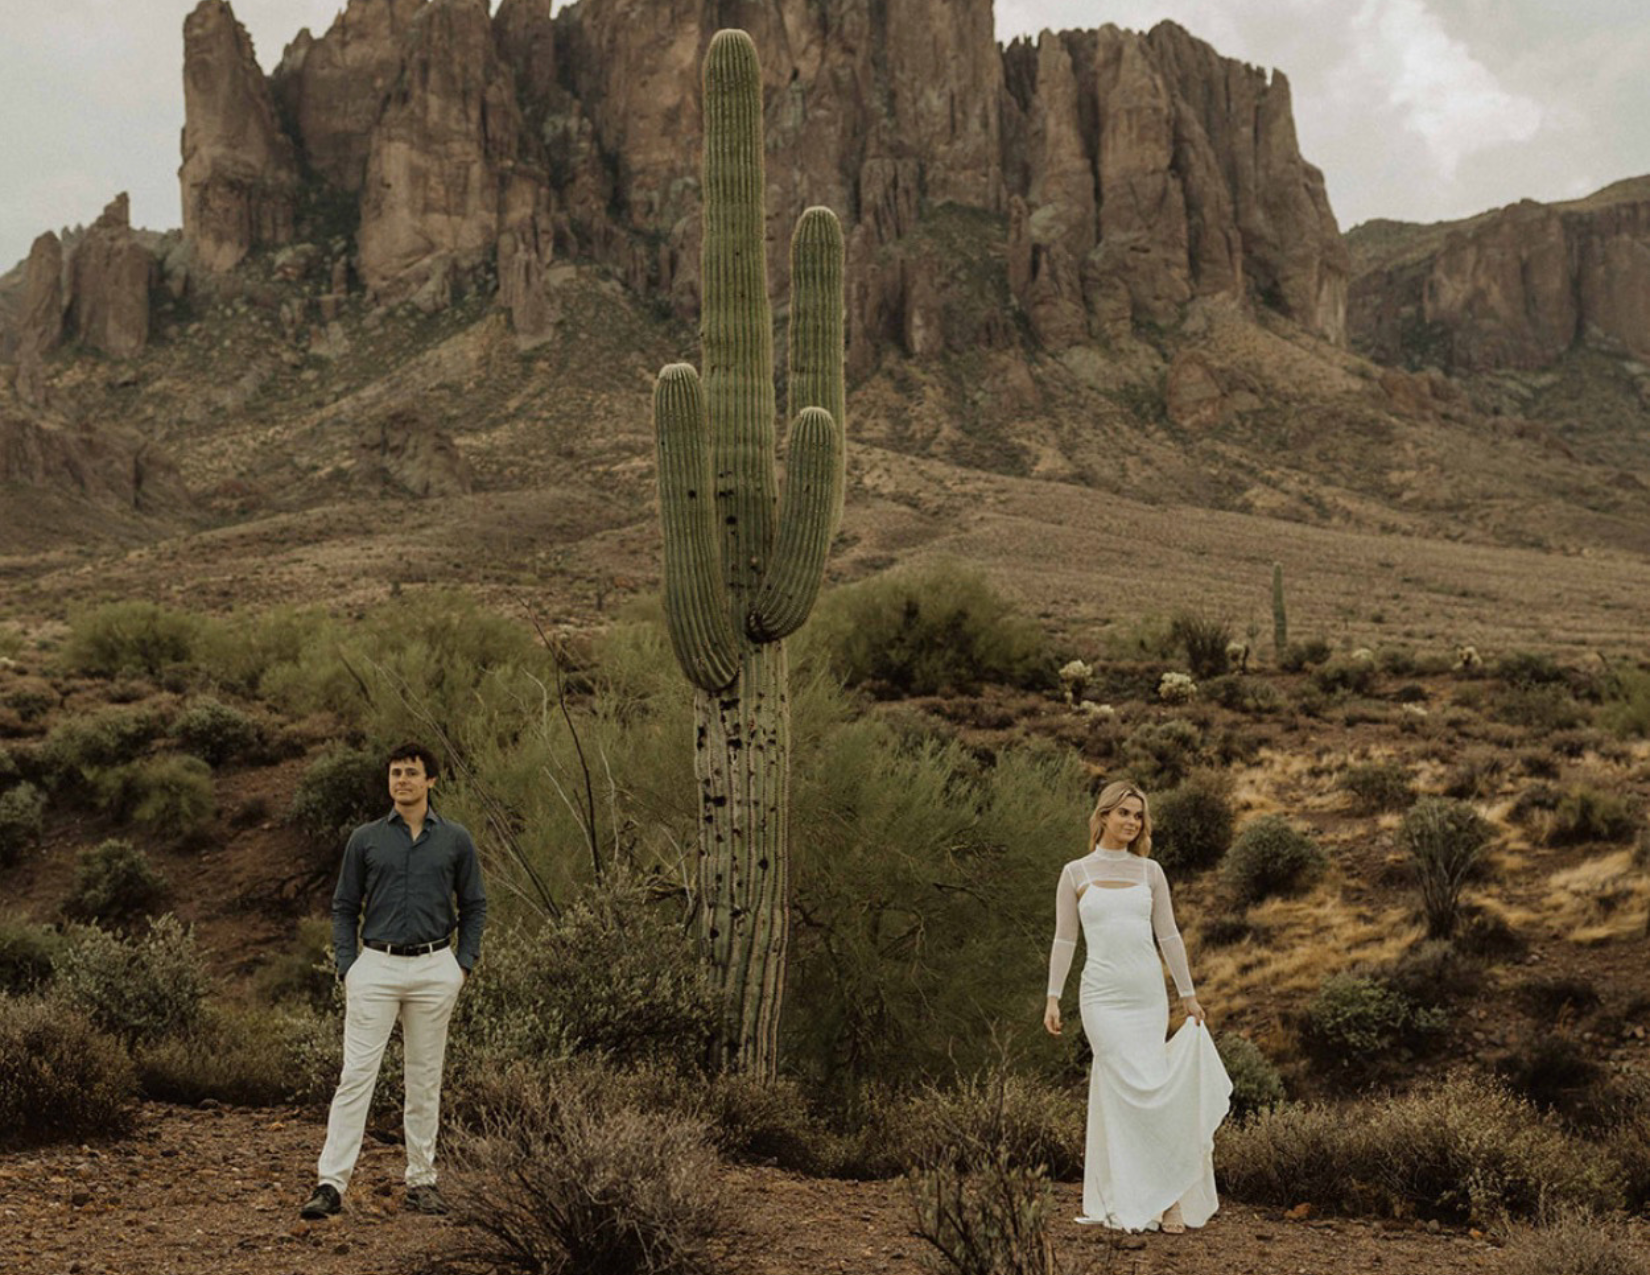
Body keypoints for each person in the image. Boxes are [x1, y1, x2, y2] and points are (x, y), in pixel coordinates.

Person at [300, 741, 487, 1221]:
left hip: (433, 967)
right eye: (395, 772)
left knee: (424, 1079)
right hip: (376, 966)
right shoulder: (365, 839)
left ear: (431, 781)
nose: (401, 780)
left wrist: (461, 965)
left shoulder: (455, 840)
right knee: (355, 1077)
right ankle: (330, 1184)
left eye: (411, 772)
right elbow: (344, 906)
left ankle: (422, 1182)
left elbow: (475, 905)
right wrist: (349, 965)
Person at [1044, 780, 1231, 1233]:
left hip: (1145, 994)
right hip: (1100, 997)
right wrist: (1052, 996)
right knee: (1122, 1087)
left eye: (1138, 815)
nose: (1131, 822)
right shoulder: (1076, 873)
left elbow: (1168, 935)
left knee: (1151, 1087)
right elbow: (1065, 938)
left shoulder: (1150, 872)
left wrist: (1187, 994)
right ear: (1103, 815)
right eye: (1124, 813)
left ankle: (1167, 1198)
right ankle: (1130, 1192)